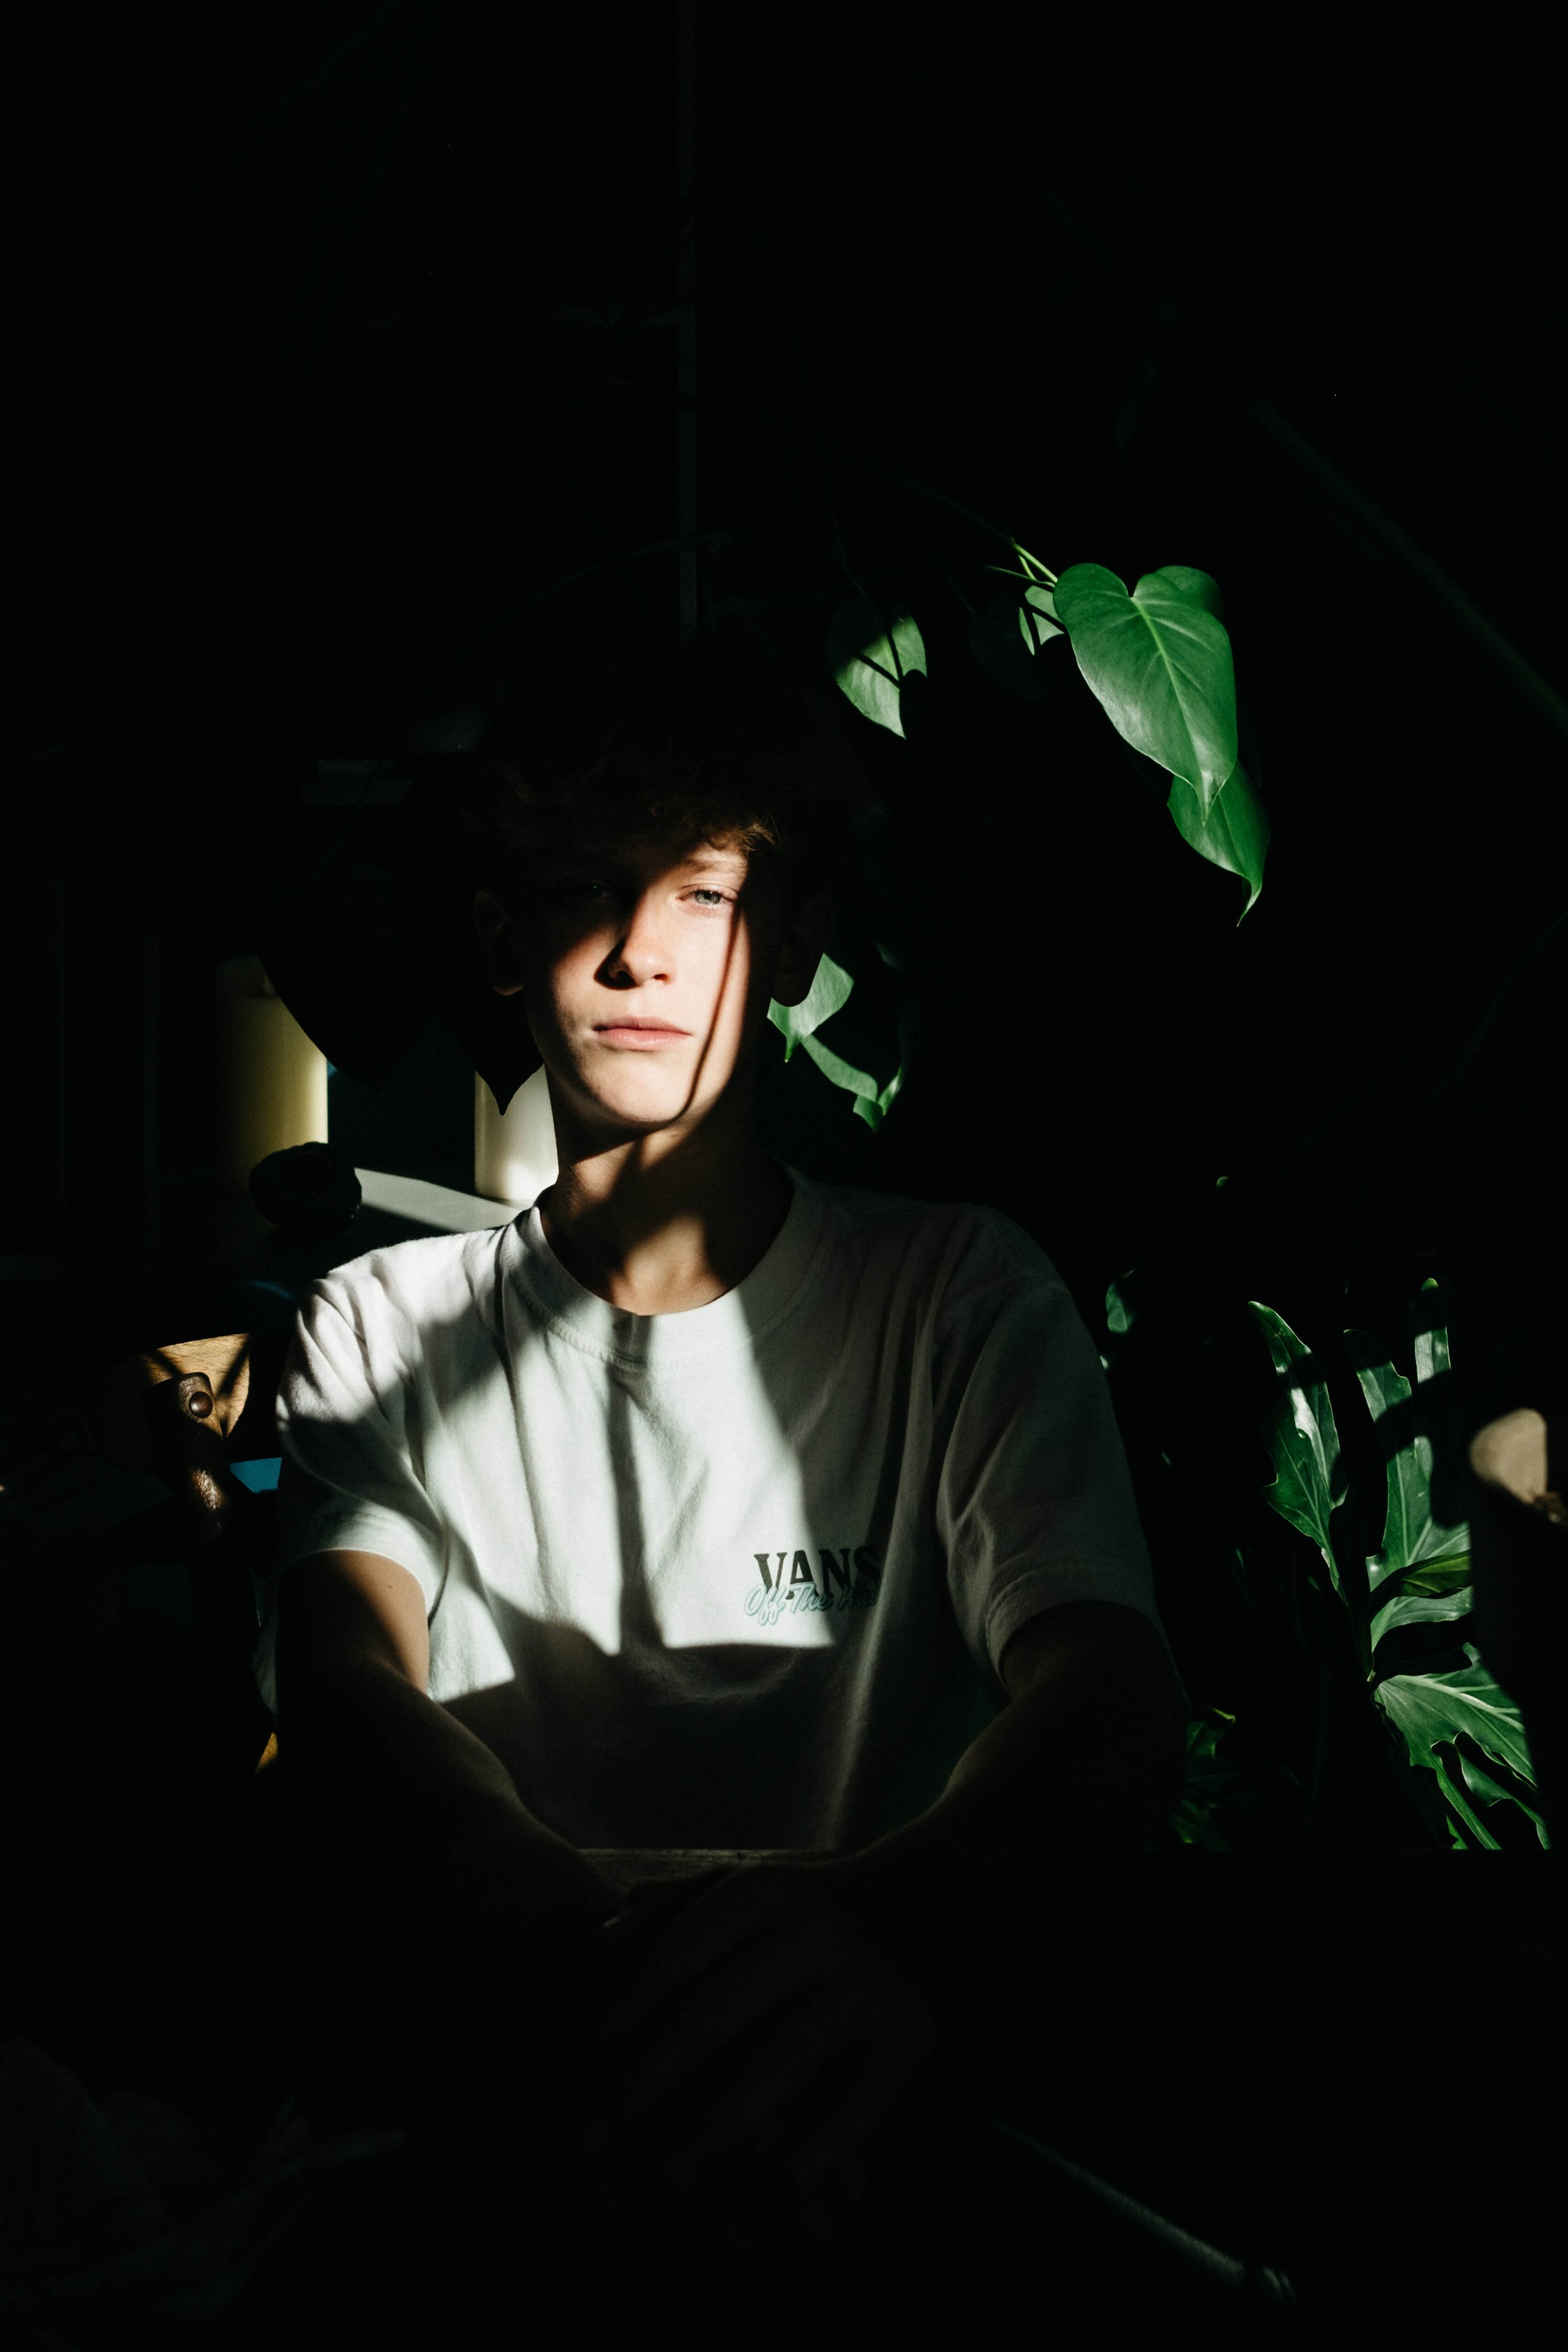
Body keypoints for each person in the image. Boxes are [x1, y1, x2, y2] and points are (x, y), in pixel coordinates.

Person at [253, 623, 1303, 2335]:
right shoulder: (383, 1319)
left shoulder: (955, 1295)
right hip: (525, 2128)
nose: (633, 953)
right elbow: (344, 1668)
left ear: (794, 934)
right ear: (503, 939)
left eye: (700, 892)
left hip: (891, 2134)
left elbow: (1109, 1688)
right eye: (585, 887)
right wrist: (548, 1927)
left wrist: (892, 1930)